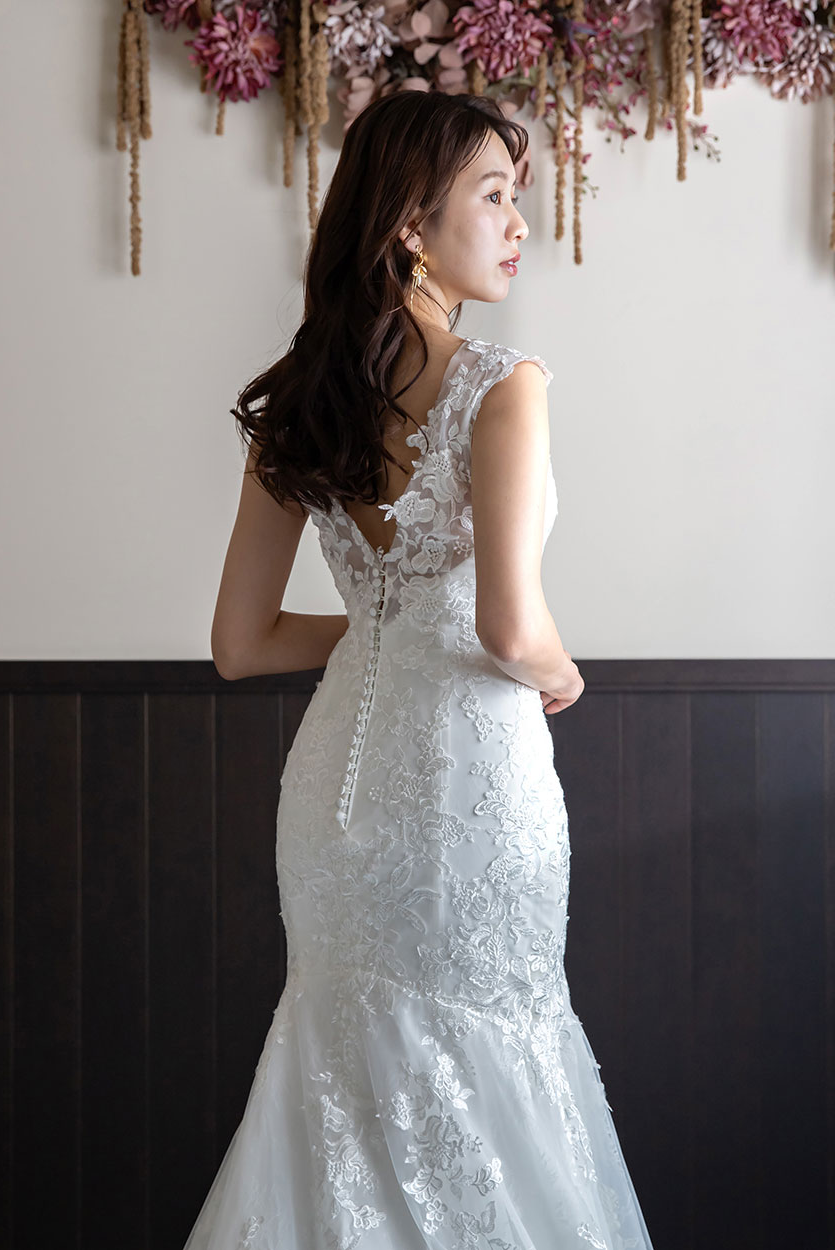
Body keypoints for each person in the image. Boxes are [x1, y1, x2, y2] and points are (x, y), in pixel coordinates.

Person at [191, 89, 655, 1250]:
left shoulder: (303, 399)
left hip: (336, 802)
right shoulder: (503, 382)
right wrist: (559, 667)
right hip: (467, 786)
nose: (519, 223)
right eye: (493, 196)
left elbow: (243, 643)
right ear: (410, 221)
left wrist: (387, 624)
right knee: (495, 1050)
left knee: (340, 1067)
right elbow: (510, 628)